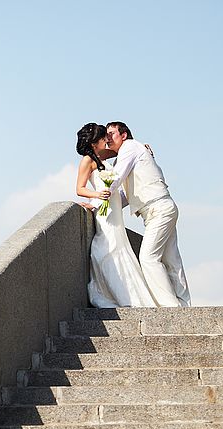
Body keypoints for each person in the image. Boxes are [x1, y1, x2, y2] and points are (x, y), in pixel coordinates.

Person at [103, 121, 191, 307]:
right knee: (171, 261)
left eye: (111, 134)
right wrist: (99, 206)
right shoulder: (126, 155)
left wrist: (97, 196)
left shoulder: (130, 148)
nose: (107, 138)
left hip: (159, 208)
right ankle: (183, 306)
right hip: (158, 209)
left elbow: (115, 179)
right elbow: (124, 196)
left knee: (149, 258)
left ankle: (170, 308)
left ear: (124, 135)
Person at [75, 122, 156, 308]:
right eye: (104, 137)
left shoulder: (101, 156)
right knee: (107, 246)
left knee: (120, 246)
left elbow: (121, 150)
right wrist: (97, 195)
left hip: (115, 208)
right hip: (105, 208)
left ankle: (131, 294)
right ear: (96, 141)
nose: (107, 140)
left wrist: (140, 146)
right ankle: (116, 294)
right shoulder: (87, 160)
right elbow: (79, 188)